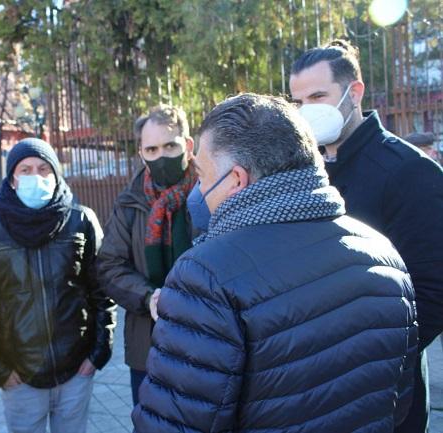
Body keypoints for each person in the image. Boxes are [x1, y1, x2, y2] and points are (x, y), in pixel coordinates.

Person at [132, 93, 418, 432]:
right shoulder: (384, 254)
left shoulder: (205, 275)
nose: (199, 188)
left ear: (236, 180)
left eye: (202, 174)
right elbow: (397, 402)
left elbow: (176, 423)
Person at [290, 39, 443, 433]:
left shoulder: (409, 171)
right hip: (316, 386)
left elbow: (432, 289)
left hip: (385, 388)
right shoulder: (306, 172)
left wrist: (368, 359)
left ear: (353, 92)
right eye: (298, 101)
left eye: (318, 95)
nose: (308, 110)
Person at [0, 138, 115, 433]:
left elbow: (103, 292)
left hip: (76, 370)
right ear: (12, 179)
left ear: (56, 173)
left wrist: (97, 354)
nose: (36, 176)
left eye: (44, 168)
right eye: (26, 169)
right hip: (20, 377)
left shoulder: (80, 220)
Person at [97, 104, 197, 406]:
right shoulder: (129, 203)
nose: (161, 157)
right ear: (141, 154)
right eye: (151, 150)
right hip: (147, 345)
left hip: (204, 342)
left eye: (170, 146)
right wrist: (147, 296)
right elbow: (109, 266)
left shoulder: (210, 195)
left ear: (188, 146)